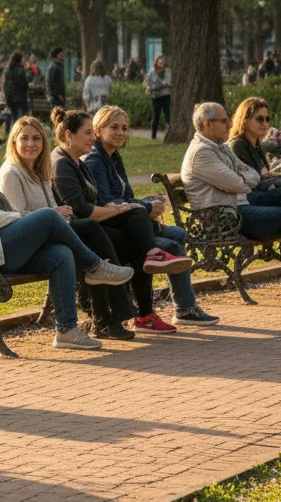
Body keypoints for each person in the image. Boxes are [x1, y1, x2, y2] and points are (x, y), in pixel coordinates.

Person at [0, 114, 134, 351]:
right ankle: (95, 266)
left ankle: (66, 330)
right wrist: (22, 218)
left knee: (60, 254)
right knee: (47, 216)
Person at [52, 107, 200, 334]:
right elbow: (83, 209)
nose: (92, 137)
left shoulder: (84, 162)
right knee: (151, 237)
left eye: (124, 128)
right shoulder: (75, 162)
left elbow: (116, 197)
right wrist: (129, 207)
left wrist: (131, 205)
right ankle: (122, 316)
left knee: (157, 233)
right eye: (88, 132)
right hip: (85, 231)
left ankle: (146, 312)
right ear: (70, 135)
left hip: (99, 225)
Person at [0, 116, 135, 339]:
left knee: (96, 240)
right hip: (23, 245)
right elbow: (13, 218)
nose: (31, 144)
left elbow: (53, 209)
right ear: (13, 142)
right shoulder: (11, 174)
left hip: (48, 237)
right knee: (91, 231)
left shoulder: (40, 172)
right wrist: (53, 214)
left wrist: (59, 214)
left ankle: (104, 316)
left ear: (44, 143)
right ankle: (107, 305)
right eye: (24, 138)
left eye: (36, 138)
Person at [84, 105, 219, 326]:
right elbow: (106, 201)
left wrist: (148, 204)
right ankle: (182, 309)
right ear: (98, 130)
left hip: (130, 220)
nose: (120, 132)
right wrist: (146, 208)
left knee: (178, 234)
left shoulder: (114, 157)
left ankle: (179, 304)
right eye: (114, 127)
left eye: (124, 128)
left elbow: (126, 195)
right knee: (173, 246)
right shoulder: (95, 160)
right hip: (113, 227)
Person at [181, 102, 281, 269]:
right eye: (224, 121)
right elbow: (239, 184)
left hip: (240, 203)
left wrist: (242, 178)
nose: (230, 124)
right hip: (226, 217)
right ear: (208, 124)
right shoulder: (202, 152)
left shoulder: (221, 147)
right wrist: (242, 178)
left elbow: (253, 175)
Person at [227, 97, 281, 203]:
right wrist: (265, 175)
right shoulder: (237, 145)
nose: (265, 124)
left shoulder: (256, 144)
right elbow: (248, 182)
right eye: (259, 119)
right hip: (247, 198)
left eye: (267, 119)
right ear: (245, 119)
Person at [145, 54, 171, 140]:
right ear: (156, 63)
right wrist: (149, 88)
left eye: (163, 62)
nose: (162, 64)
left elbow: (167, 82)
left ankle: (169, 132)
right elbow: (147, 82)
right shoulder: (152, 72)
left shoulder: (167, 71)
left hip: (165, 95)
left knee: (168, 114)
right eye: (160, 62)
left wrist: (159, 85)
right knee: (156, 116)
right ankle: (153, 135)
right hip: (155, 96)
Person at [2, 52, 29, 126]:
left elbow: (5, 86)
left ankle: (13, 135)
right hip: (20, 99)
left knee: (14, 118)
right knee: (22, 120)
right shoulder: (20, 70)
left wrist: (7, 98)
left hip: (10, 99)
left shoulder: (7, 70)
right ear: (19, 59)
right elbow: (24, 85)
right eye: (23, 59)